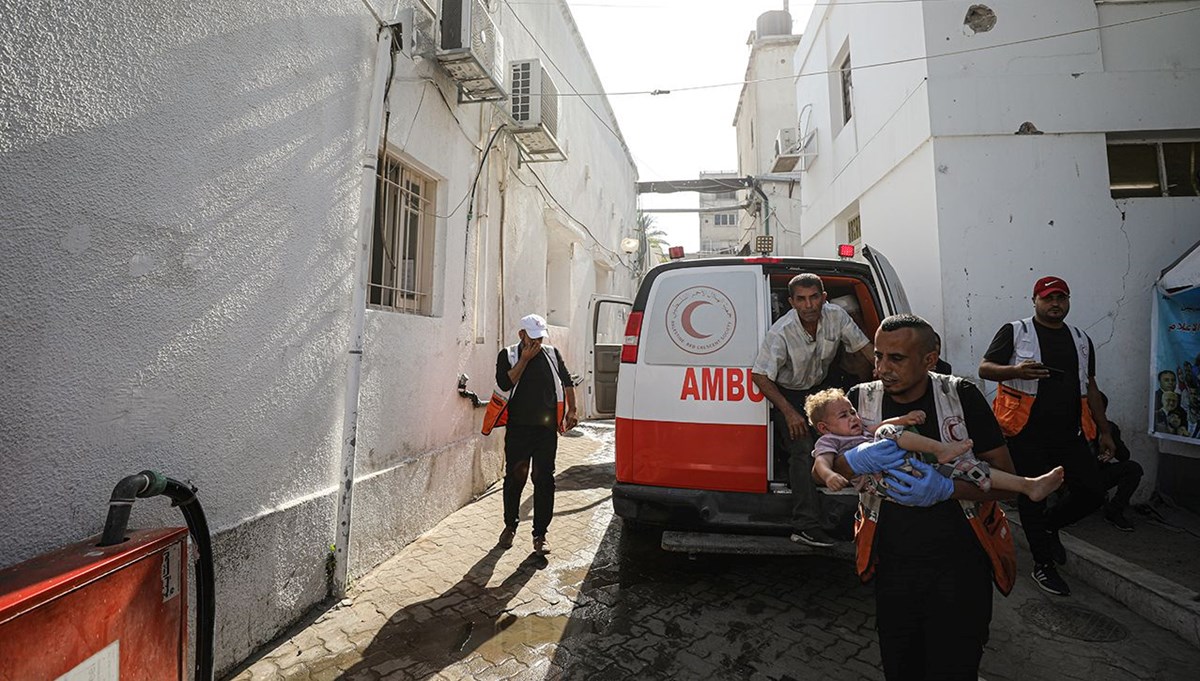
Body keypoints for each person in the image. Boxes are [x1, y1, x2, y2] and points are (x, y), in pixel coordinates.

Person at [821, 314, 1018, 681]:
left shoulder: (961, 396)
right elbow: (829, 467)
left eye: (896, 358)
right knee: (902, 667)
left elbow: (1007, 482)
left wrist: (946, 489)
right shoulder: (859, 401)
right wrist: (852, 461)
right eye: (878, 356)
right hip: (894, 568)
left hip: (961, 567)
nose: (882, 368)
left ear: (930, 358)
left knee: (955, 667)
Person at [978, 275, 1115, 597]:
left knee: (1093, 492)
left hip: (1070, 433)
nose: (1055, 304)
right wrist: (1015, 371)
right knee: (1032, 498)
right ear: (1035, 300)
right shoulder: (1016, 331)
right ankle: (1043, 564)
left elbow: (1090, 387)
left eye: (1061, 298)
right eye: (1048, 298)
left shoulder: (1081, 338)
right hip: (1026, 432)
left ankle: (1051, 525)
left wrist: (1105, 430)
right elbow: (985, 368)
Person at [751, 273, 875, 547]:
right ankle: (805, 525)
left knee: (847, 434)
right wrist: (789, 412)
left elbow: (865, 347)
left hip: (818, 387)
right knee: (802, 448)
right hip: (787, 393)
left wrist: (885, 368)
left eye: (814, 297)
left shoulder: (837, 316)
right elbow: (760, 376)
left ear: (824, 298)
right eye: (801, 299)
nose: (809, 305)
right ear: (791, 302)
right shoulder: (780, 332)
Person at [807, 388, 1063, 501]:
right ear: (824, 427)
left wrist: (904, 419)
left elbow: (879, 426)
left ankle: (1029, 485)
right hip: (881, 482)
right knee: (887, 431)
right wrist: (831, 475)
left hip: (912, 469)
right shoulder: (829, 440)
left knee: (967, 466)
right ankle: (940, 449)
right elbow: (820, 464)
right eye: (844, 416)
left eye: (852, 411)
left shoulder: (861, 428)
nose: (853, 417)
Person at [494, 314, 578, 554]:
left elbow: (567, 381)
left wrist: (573, 409)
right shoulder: (508, 355)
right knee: (515, 478)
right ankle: (510, 525)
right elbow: (505, 384)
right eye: (532, 337)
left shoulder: (552, 354)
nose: (537, 343)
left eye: (540, 337)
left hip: (546, 430)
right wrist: (524, 359)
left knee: (544, 480)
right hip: (518, 430)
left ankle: (540, 535)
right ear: (521, 334)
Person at [1093, 392, 1143, 532]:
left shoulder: (1109, 428)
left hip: (1098, 474)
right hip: (1074, 476)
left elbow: (1124, 456)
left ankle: (1114, 510)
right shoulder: (1072, 426)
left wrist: (1110, 440)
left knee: (1133, 468)